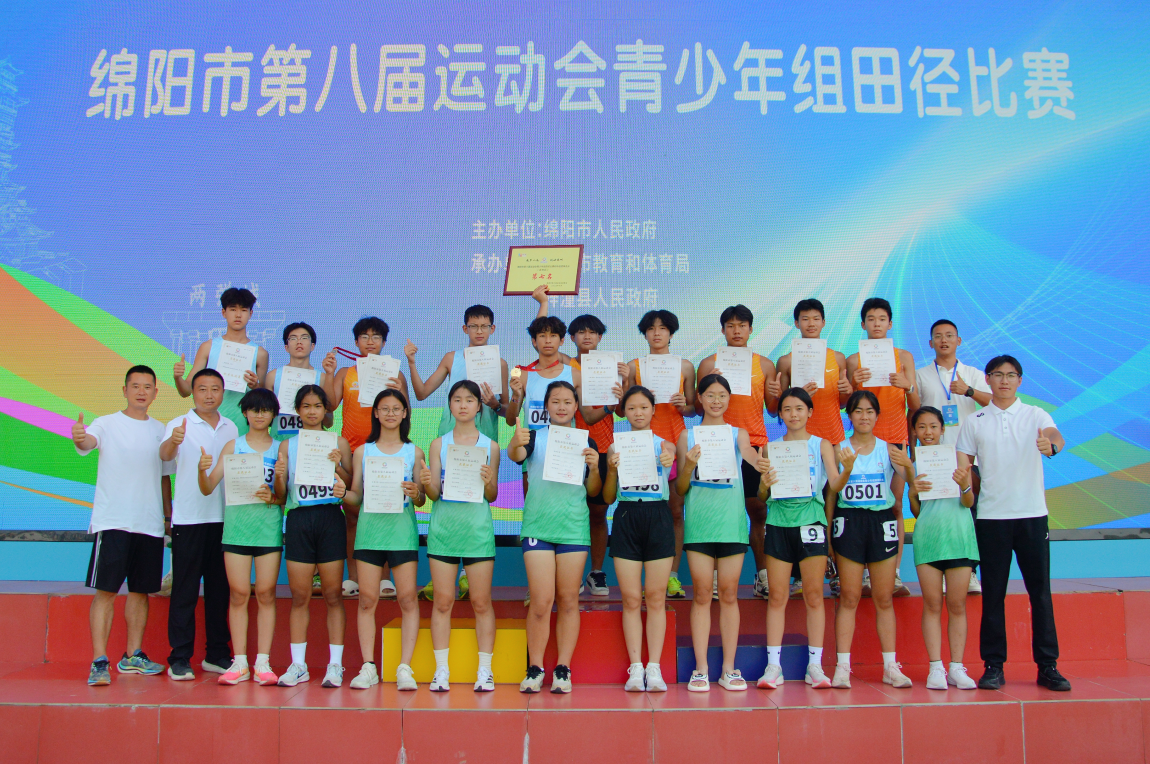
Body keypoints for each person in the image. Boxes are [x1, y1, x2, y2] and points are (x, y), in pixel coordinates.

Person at [957, 355, 1071, 692]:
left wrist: (1052, 446)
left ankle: (1048, 666)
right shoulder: (975, 421)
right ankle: (993, 666)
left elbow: (1056, 436)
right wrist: (963, 485)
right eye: (997, 375)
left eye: (1011, 375)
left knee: (1040, 593)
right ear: (987, 380)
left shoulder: (1035, 414)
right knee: (993, 595)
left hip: (1032, 515)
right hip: (992, 517)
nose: (1004, 381)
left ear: (1020, 381)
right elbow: (964, 465)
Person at [74, 365, 172, 685]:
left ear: (155, 392)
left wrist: (167, 518)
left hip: (149, 524)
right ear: (125, 390)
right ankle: (99, 661)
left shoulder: (161, 430)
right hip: (114, 521)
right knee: (106, 591)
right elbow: (88, 442)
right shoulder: (106, 423)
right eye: (135, 386)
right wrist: (81, 437)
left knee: (140, 592)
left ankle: (133, 656)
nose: (141, 391)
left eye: (148, 386)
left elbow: (164, 478)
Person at [509, 381, 602, 693]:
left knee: (568, 599)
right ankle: (535, 668)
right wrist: (515, 441)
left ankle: (563, 668)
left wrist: (595, 469)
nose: (562, 407)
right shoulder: (533, 437)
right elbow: (515, 455)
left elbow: (593, 491)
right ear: (546, 406)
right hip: (538, 528)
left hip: (573, 528)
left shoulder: (587, 441)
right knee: (541, 601)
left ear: (576, 407)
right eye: (555, 401)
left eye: (567, 402)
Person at [756, 388, 849, 690]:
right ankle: (774, 667)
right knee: (777, 596)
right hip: (778, 523)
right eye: (787, 409)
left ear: (809, 412)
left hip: (811, 522)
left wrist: (847, 469)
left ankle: (815, 666)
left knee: (813, 595)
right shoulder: (771, 448)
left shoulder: (821, 444)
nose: (793, 414)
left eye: (799, 408)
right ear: (780, 414)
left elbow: (834, 483)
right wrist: (764, 484)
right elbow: (762, 495)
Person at [676, 374, 761, 692]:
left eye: (722, 395)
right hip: (699, 525)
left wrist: (764, 463)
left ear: (729, 399)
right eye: (710, 395)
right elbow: (681, 488)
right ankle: (700, 669)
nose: (716, 401)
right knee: (701, 594)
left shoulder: (738, 434)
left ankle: (729, 668)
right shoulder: (687, 436)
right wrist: (688, 466)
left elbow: (750, 454)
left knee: (728, 594)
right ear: (699, 398)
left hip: (731, 525)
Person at [196, 387, 285, 685]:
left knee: (266, 593)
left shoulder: (280, 449)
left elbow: (284, 497)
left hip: (268, 531)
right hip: (236, 530)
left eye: (266, 410)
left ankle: (263, 662)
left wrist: (275, 492)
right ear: (245, 413)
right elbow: (208, 487)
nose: (260, 415)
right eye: (254, 410)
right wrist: (201, 470)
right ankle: (240, 662)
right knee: (238, 594)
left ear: (273, 415)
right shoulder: (233, 446)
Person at [420, 380, 502, 692]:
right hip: (444, 531)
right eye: (457, 399)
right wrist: (427, 481)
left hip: (477, 531)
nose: (463, 405)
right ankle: (441, 670)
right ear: (450, 405)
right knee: (443, 602)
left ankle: (485, 671)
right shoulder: (438, 445)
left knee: (481, 602)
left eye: (469, 400)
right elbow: (433, 494)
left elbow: (492, 495)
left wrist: (489, 480)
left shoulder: (491, 447)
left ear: (479, 406)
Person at [341, 389, 426, 691]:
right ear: (375, 413)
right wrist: (342, 493)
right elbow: (356, 497)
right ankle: (368, 666)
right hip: (369, 534)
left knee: (407, 599)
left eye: (396, 408)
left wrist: (416, 493)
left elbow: (421, 498)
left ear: (405, 414)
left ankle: (404, 667)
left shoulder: (414, 452)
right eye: (384, 408)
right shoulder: (362, 452)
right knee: (367, 600)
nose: (390, 413)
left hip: (402, 535)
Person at [829, 390, 914, 689]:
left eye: (869, 411)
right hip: (849, 522)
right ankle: (842, 667)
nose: (864, 416)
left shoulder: (889, 450)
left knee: (883, 597)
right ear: (849, 415)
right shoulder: (838, 449)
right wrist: (829, 538)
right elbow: (832, 493)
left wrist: (909, 465)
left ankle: (890, 667)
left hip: (880, 523)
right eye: (858, 411)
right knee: (849, 596)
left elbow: (908, 486)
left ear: (878, 416)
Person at [159, 368, 238, 680]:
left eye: (215, 389)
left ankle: (217, 654)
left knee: (219, 591)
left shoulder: (232, 427)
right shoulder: (179, 424)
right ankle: (179, 657)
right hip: (190, 519)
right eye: (202, 389)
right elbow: (164, 456)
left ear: (222, 393)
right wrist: (174, 441)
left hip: (224, 520)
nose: (209, 395)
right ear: (192, 392)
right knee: (185, 591)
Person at [321, 317, 409, 596]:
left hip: (384, 451)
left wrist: (399, 389)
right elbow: (329, 406)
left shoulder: (395, 373)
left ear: (384, 342)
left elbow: (406, 412)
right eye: (364, 336)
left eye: (376, 337)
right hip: (350, 453)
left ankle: (384, 579)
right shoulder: (345, 372)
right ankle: (354, 577)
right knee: (352, 518)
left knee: (383, 515)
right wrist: (328, 373)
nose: (370, 342)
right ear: (356, 342)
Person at [695, 306, 779, 600]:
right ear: (722, 330)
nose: (736, 330)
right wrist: (711, 381)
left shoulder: (765, 364)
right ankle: (715, 578)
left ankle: (763, 575)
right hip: (717, 444)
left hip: (753, 444)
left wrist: (776, 394)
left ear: (751, 329)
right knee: (718, 510)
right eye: (730, 326)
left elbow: (772, 409)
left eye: (742, 325)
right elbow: (697, 408)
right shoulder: (708, 364)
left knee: (758, 510)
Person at [273, 384, 352, 688]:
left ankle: (336, 665)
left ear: (326, 410)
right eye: (305, 406)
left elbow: (349, 485)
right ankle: (298, 665)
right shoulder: (286, 446)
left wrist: (338, 466)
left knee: (333, 594)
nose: (311, 411)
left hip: (330, 517)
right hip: (299, 518)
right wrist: (280, 477)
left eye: (317, 406)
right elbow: (281, 495)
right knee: (300, 596)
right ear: (297, 410)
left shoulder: (339, 442)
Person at [773, 298, 852, 599]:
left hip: (830, 435)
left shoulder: (838, 358)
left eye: (816, 318)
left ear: (823, 322)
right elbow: (776, 407)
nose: (810, 323)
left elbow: (843, 403)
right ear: (796, 323)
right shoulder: (785, 361)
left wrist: (847, 393)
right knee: (797, 502)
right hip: (797, 440)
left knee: (833, 502)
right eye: (804, 318)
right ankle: (797, 575)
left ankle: (834, 569)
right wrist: (788, 394)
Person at [602, 385, 678, 692]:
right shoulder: (614, 447)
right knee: (632, 598)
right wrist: (611, 471)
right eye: (631, 408)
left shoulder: (667, 446)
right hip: (626, 517)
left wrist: (670, 463)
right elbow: (608, 497)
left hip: (658, 517)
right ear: (624, 412)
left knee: (656, 597)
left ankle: (654, 667)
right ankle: (636, 668)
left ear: (653, 410)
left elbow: (678, 484)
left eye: (644, 407)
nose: (638, 413)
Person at [845, 298, 920, 597]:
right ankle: (864, 573)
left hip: (895, 437)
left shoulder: (904, 356)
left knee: (895, 505)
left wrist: (907, 385)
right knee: (861, 507)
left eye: (882, 319)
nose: (876, 324)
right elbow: (846, 405)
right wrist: (854, 383)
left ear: (890, 323)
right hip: (864, 440)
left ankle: (895, 573)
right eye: (871, 319)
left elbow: (915, 405)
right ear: (863, 324)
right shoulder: (853, 360)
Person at [913, 319, 991, 595]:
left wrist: (968, 390)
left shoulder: (973, 373)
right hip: (932, 459)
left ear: (959, 341)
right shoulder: (922, 375)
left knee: (970, 512)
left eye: (949, 335)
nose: (944, 340)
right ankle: (942, 566)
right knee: (935, 513)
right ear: (930, 342)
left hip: (966, 456)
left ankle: (970, 571)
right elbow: (915, 414)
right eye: (938, 336)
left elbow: (994, 403)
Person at [907, 406, 978, 691]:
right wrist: (912, 491)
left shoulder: (958, 458)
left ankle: (956, 667)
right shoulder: (913, 464)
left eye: (933, 426)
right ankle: (935, 667)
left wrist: (964, 486)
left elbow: (969, 503)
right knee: (932, 604)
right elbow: (917, 511)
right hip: (929, 538)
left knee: (957, 604)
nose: (928, 432)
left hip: (958, 537)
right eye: (922, 427)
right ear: (915, 431)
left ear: (942, 429)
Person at [627, 310, 696, 599]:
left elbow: (693, 408)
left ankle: (672, 576)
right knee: (642, 512)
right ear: (644, 334)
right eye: (651, 329)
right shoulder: (633, 366)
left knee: (675, 512)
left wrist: (684, 405)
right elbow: (622, 408)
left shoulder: (685, 366)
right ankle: (645, 579)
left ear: (671, 333)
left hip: (676, 443)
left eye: (663, 328)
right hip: (641, 447)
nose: (657, 333)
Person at [566, 313, 625, 596]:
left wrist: (625, 384)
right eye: (581, 332)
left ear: (600, 337)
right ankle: (572, 573)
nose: (587, 336)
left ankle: (596, 572)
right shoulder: (568, 367)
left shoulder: (613, 366)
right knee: (572, 512)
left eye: (592, 332)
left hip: (602, 447)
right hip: (571, 447)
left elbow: (622, 410)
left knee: (599, 513)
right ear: (572, 337)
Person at [404, 304, 510, 443]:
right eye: (473, 326)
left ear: (492, 329)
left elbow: (508, 413)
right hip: (450, 438)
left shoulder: (500, 364)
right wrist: (411, 363)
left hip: (485, 440)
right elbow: (422, 394)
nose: (479, 331)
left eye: (484, 326)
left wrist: (495, 405)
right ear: (465, 329)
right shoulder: (451, 359)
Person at [172, 287, 268, 436]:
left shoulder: (260, 353)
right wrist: (178, 377)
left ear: (251, 314)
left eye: (243, 310)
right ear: (224, 312)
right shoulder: (208, 347)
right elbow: (186, 391)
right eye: (233, 309)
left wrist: (255, 386)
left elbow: (264, 399)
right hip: (208, 423)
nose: (238, 315)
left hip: (243, 426)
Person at [266, 321, 332, 441]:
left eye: (304, 338)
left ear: (312, 346)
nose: (299, 342)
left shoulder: (323, 378)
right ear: (286, 347)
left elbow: (329, 423)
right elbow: (266, 417)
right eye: (293, 338)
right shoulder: (272, 376)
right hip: (278, 442)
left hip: (311, 442)